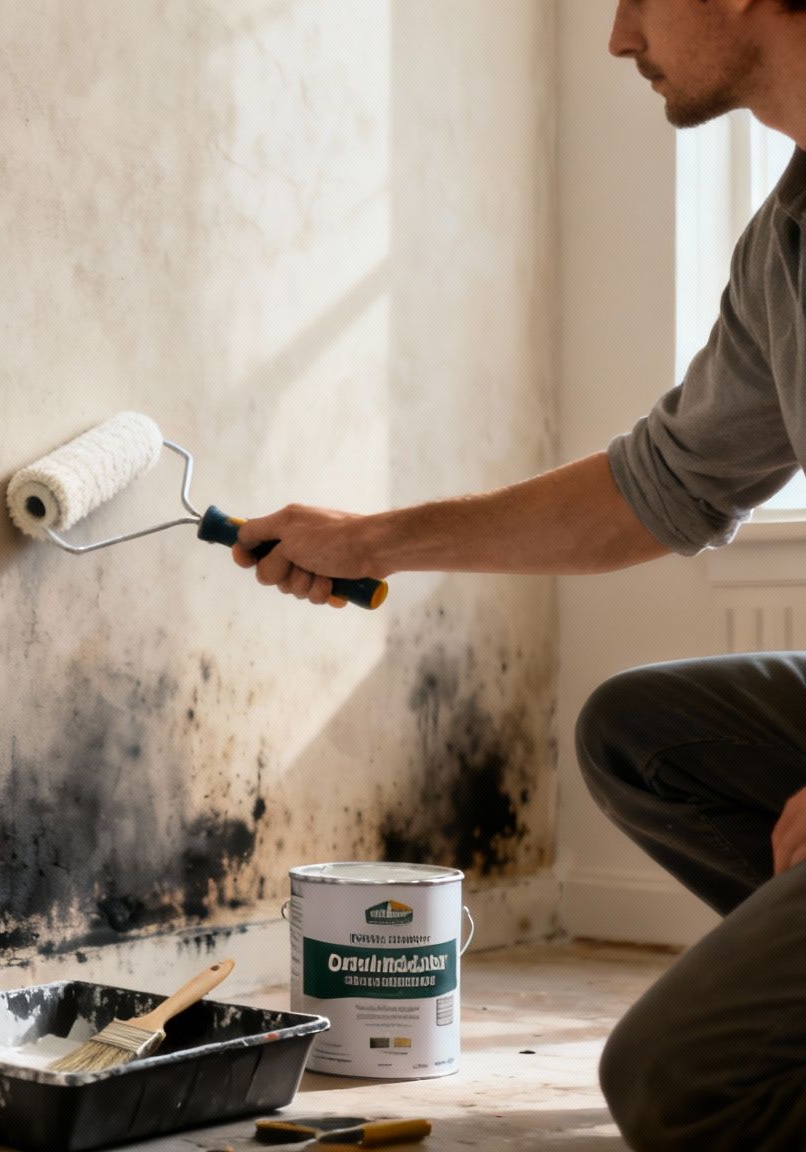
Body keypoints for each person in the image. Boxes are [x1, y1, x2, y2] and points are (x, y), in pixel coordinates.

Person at [228, 1, 806, 1147]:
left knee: (677, 1084)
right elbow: (659, 484)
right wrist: (369, 541)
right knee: (641, 732)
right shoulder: (788, 235)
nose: (617, 36)